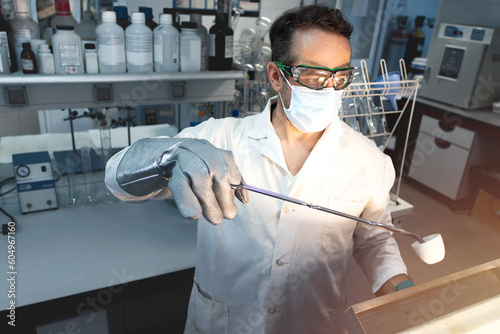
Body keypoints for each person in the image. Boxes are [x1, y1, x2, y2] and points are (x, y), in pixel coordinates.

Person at [105, 4, 412, 334]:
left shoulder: (369, 161)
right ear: (277, 76)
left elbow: (373, 239)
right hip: (223, 325)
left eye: (340, 77)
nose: (330, 90)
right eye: (314, 76)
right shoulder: (218, 137)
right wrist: (169, 154)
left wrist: (401, 289)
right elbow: (116, 179)